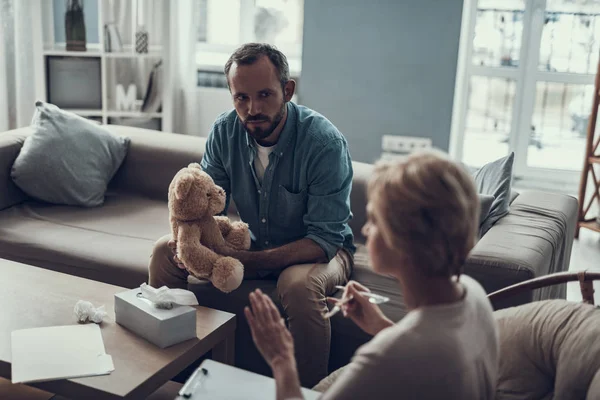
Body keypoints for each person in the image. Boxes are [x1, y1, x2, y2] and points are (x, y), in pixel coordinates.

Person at [148, 43, 355, 387]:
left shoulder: (324, 143)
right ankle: (172, 377)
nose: (252, 108)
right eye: (241, 97)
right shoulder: (225, 131)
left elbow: (324, 238)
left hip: (323, 250)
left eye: (264, 95)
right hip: (252, 244)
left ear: (287, 90)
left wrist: (249, 259)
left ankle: (307, 393)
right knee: (163, 252)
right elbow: (204, 207)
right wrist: (192, 247)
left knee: (298, 284)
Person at [245, 151, 500, 399]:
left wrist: (282, 361)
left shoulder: (385, 358)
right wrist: (380, 325)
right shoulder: (473, 294)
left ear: (404, 241)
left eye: (375, 220)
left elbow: (410, 353)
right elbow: (423, 352)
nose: (366, 230)